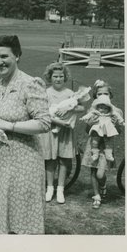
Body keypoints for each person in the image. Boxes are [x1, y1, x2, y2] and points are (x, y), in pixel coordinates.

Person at [0, 35, 51, 234]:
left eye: (4, 56)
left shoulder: (30, 84)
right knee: (3, 219)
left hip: (23, 162)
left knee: (22, 222)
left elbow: (44, 123)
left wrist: (9, 125)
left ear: (17, 55)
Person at [40, 62, 85, 204]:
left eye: (61, 76)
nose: (58, 79)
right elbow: (42, 112)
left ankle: (60, 189)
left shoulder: (70, 93)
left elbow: (82, 108)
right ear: (50, 77)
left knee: (64, 160)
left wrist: (69, 109)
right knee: (51, 160)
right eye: (55, 76)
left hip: (65, 131)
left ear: (65, 77)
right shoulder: (46, 92)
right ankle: (50, 188)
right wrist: (54, 119)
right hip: (50, 131)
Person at [81, 80, 124, 209]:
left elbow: (119, 131)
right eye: (99, 94)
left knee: (100, 173)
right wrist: (90, 124)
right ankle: (96, 196)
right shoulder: (93, 110)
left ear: (110, 95)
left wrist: (116, 123)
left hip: (106, 146)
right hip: (93, 144)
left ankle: (103, 185)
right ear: (96, 96)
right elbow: (87, 131)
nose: (102, 95)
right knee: (93, 171)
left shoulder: (116, 111)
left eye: (105, 93)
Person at [80, 95, 124, 162]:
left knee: (109, 142)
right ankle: (95, 153)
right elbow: (88, 115)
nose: (103, 110)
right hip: (97, 130)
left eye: (105, 108)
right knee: (95, 141)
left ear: (109, 108)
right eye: (101, 108)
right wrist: (84, 118)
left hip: (106, 130)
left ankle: (109, 154)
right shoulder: (95, 113)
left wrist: (121, 122)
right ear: (97, 108)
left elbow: (118, 116)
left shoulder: (111, 114)